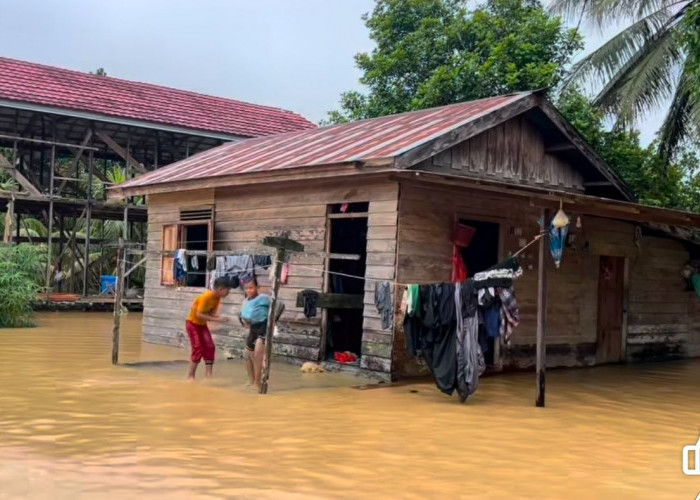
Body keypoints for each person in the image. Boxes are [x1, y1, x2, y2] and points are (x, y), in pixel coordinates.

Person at [185, 276, 231, 379]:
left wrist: (220, 317)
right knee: (198, 347)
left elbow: (210, 313)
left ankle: (209, 375)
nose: (228, 293)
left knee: (210, 346)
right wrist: (218, 320)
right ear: (221, 289)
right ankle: (191, 376)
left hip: (202, 325)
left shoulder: (217, 298)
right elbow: (199, 315)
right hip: (192, 324)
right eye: (228, 290)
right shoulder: (207, 297)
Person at [240, 280, 271, 387]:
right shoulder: (245, 301)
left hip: (263, 327)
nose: (249, 290)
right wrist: (244, 322)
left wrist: (274, 319)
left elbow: (280, 305)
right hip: (252, 329)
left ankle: (258, 382)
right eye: (246, 288)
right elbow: (242, 314)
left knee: (258, 353)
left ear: (257, 287)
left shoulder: (263, 298)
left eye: (251, 288)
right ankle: (251, 380)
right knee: (247, 355)